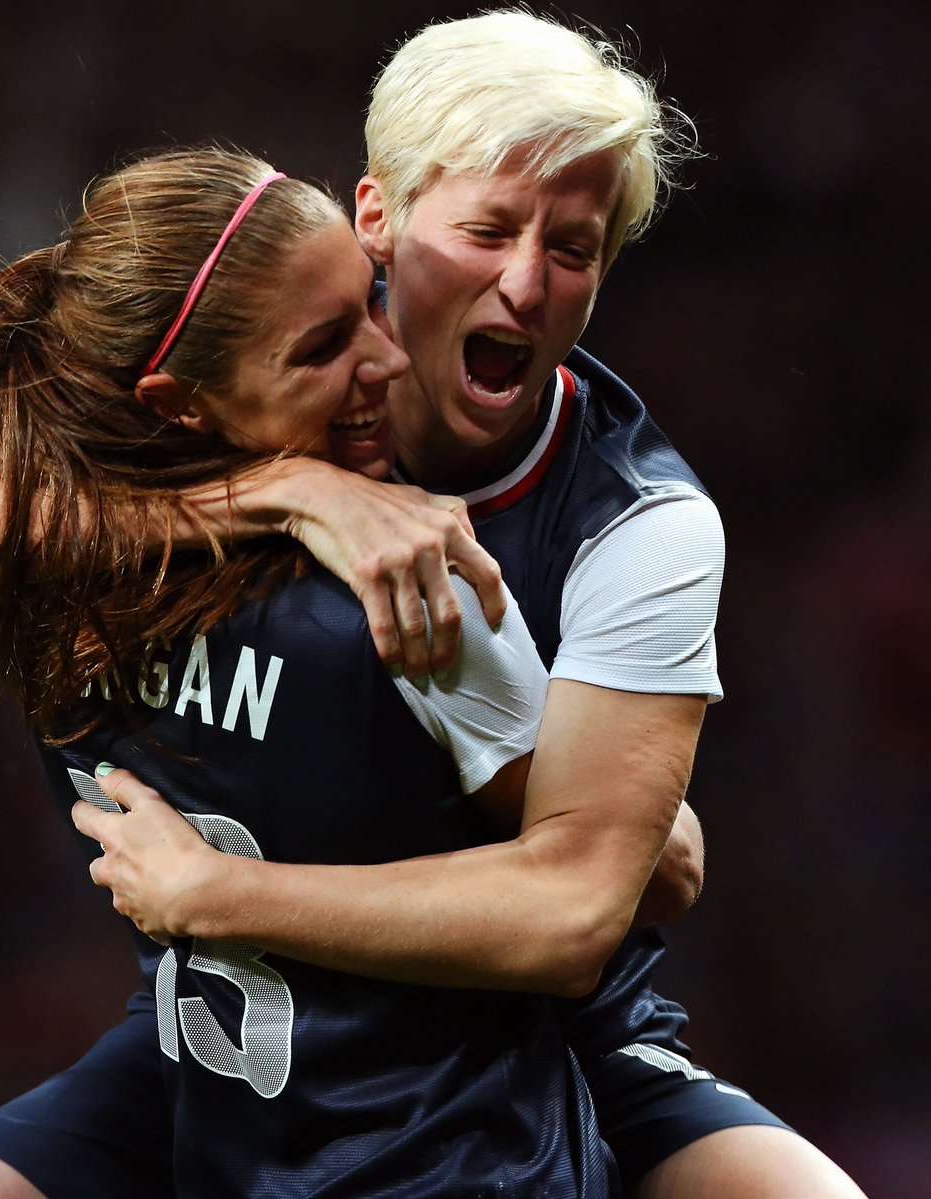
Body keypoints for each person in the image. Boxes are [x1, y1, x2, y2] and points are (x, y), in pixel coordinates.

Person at [0, 146, 664, 1196]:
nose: (390, 358)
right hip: (221, 1077)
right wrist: (288, 492)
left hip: (403, 1118)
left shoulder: (88, 567)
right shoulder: (365, 580)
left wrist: (224, 894)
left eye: (371, 304)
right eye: (322, 346)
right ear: (180, 402)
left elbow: (639, 872)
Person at [49, 11, 866, 1199]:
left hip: (542, 1039)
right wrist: (291, 492)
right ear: (377, 217)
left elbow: (590, 904)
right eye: (487, 230)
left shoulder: (643, 522)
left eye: (575, 249)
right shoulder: (265, 373)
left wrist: (226, 893)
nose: (526, 284)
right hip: (230, 1029)